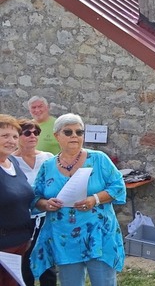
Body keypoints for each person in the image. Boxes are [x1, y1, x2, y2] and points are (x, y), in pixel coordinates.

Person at [30, 113, 127, 286]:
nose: (75, 136)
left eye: (79, 132)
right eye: (68, 132)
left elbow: (118, 187)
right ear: (56, 136)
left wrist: (95, 199)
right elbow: (36, 197)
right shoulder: (48, 166)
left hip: (98, 234)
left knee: (103, 282)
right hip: (64, 236)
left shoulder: (98, 159)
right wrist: (47, 204)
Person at [12, 119, 57, 286]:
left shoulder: (48, 158)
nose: (33, 136)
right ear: (17, 136)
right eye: (27, 133)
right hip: (21, 220)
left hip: (46, 217)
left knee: (47, 261)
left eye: (36, 132)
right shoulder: (9, 161)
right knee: (24, 263)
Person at [0, 114, 35, 286]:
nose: (11, 141)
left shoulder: (13, 161)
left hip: (20, 244)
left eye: (14, 136)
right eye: (4, 136)